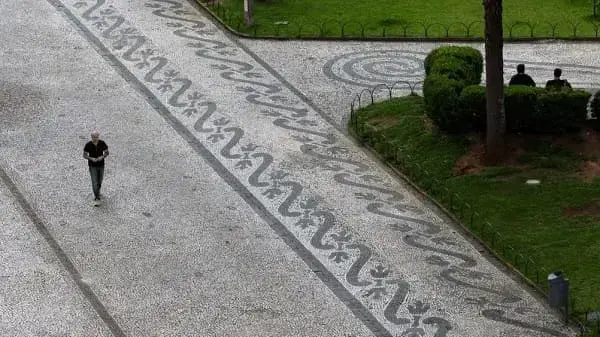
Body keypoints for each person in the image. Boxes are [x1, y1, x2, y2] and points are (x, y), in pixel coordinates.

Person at [83, 128, 109, 206]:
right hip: (92, 166)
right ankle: (97, 197)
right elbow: (84, 155)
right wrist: (91, 158)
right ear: (91, 137)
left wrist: (102, 157)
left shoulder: (102, 143)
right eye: (94, 137)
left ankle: (98, 191)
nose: (95, 138)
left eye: (97, 137)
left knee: (99, 181)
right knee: (94, 182)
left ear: (98, 136)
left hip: (101, 165)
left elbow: (107, 152)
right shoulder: (88, 145)